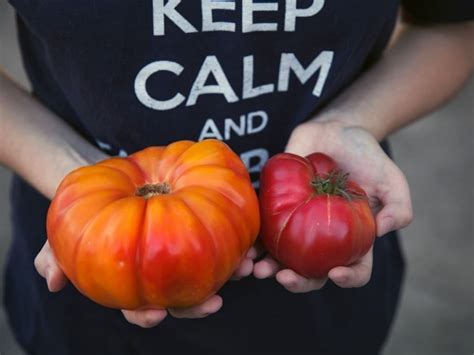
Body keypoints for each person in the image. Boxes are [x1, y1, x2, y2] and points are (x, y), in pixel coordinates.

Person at [0, 1, 472, 354]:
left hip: (321, 314)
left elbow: (453, 23)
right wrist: (74, 182)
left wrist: (355, 120)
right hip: (89, 309)